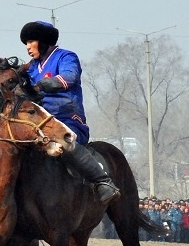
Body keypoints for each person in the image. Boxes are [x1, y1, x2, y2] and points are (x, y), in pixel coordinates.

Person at [19, 21, 119, 204]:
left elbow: (69, 77)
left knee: (65, 142)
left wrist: (41, 85)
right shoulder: (31, 67)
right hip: (39, 123)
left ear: (43, 40)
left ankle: (103, 182)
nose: (27, 47)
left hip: (67, 119)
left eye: (30, 41)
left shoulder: (66, 57)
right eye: (25, 43)